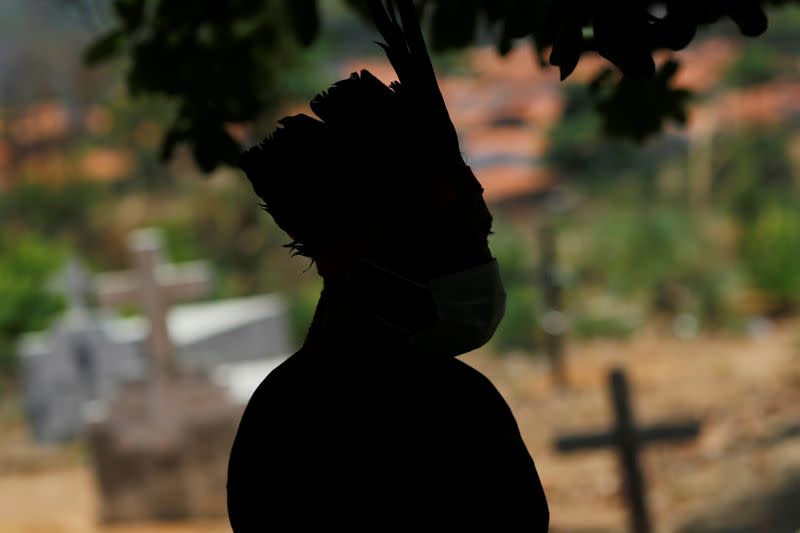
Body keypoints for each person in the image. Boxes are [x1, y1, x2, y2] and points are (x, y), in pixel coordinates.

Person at [227, 0, 549, 529]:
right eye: (453, 250)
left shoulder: (277, 416)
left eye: (483, 239)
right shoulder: (460, 407)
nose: (482, 267)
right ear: (372, 270)